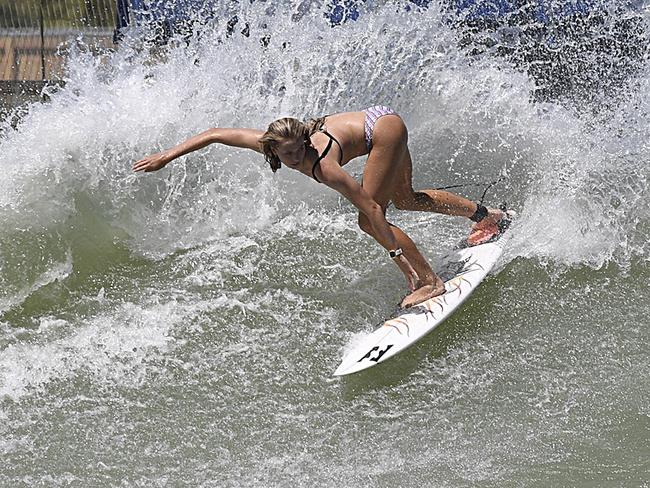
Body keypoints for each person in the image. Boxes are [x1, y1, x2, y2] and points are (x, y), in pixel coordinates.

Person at [133, 106, 505, 308]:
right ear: (271, 148)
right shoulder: (268, 142)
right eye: (288, 153)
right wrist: (166, 156)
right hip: (381, 118)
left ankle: (430, 282)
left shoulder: (323, 165)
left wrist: (400, 260)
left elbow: (374, 214)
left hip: (384, 131)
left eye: (301, 149)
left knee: (367, 217)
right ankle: (486, 218)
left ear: (308, 141)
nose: (296, 158)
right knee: (405, 198)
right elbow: (214, 134)